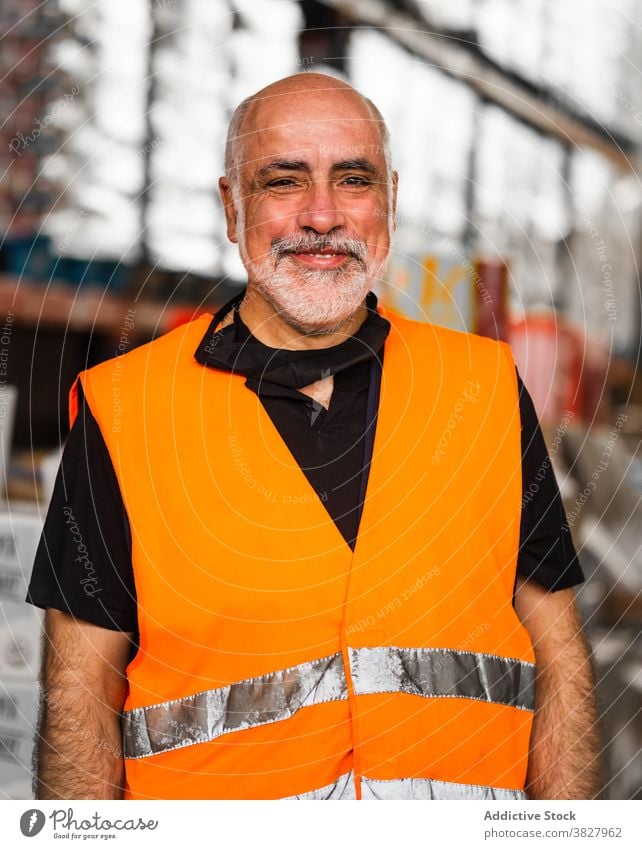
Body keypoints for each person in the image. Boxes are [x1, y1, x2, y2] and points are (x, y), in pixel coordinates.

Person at [27, 73, 600, 801]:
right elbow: (80, 685)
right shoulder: (124, 409)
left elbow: (559, 651)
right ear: (233, 208)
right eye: (283, 181)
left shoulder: (482, 388)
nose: (322, 215)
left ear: (388, 200)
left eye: (352, 179)